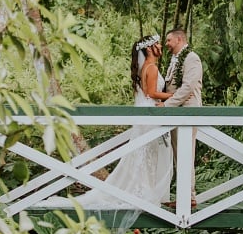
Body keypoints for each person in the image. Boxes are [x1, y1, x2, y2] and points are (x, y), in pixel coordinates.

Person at [43, 34, 173, 209]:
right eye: (157, 44)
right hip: (150, 115)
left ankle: (144, 190)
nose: (160, 46)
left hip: (147, 116)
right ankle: (144, 191)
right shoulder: (151, 68)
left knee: (144, 155)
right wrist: (173, 96)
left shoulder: (147, 67)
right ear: (149, 49)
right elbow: (151, 93)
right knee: (147, 155)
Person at [158, 28, 203, 206]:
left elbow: (188, 87)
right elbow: (172, 87)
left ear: (178, 39)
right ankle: (183, 196)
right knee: (179, 155)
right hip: (178, 113)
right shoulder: (174, 60)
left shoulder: (192, 58)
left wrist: (167, 105)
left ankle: (189, 197)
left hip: (187, 113)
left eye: (169, 40)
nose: (167, 44)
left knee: (186, 155)